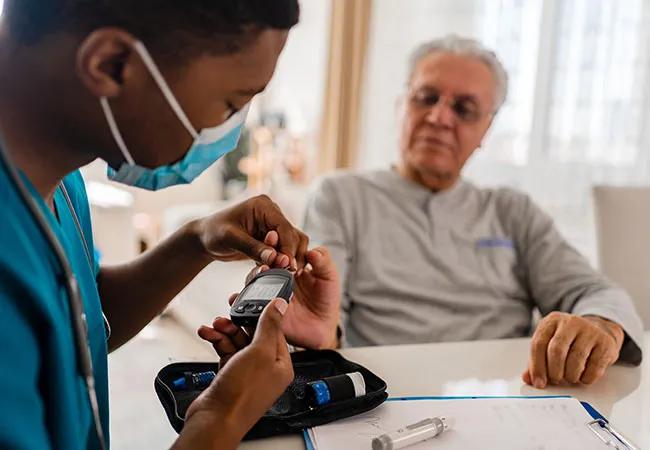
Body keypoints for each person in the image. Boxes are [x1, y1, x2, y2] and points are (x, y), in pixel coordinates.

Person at [0, 1, 339, 449]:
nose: (228, 131)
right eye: (230, 104)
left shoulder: (58, 177)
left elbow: (78, 320)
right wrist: (220, 416)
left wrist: (197, 241)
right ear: (112, 64)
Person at [302, 35, 644, 389]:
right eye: (426, 98)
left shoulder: (513, 210)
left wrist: (600, 326)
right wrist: (321, 337)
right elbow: (326, 319)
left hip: (507, 396)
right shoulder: (341, 196)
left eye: (463, 109)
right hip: (384, 392)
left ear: (487, 128)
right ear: (401, 104)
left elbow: (596, 292)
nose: (438, 118)